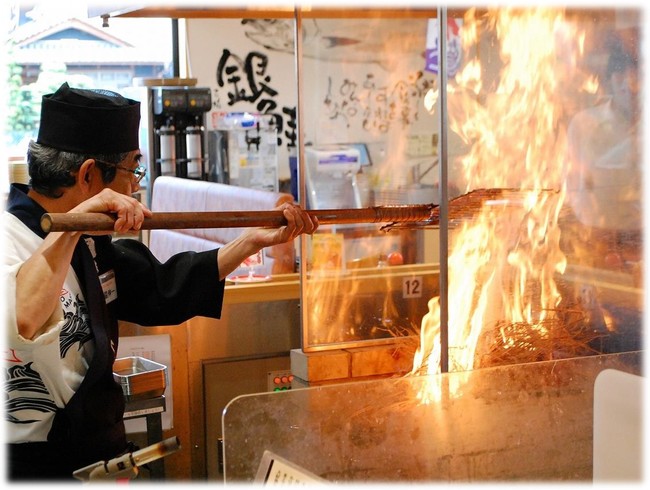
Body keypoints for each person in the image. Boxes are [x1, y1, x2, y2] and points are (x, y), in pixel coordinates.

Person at [3, 82, 319, 481]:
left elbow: (159, 287)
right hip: (31, 469)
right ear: (87, 175)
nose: (136, 184)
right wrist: (75, 224)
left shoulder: (93, 242)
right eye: (131, 169)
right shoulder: (10, 237)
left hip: (96, 457)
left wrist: (250, 241)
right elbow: (20, 320)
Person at [565, 41, 641, 271]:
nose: (628, 86)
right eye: (619, 78)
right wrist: (593, 238)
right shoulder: (584, 124)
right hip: (594, 241)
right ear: (609, 81)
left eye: (636, 79)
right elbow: (571, 188)